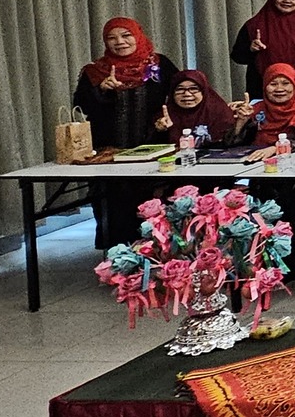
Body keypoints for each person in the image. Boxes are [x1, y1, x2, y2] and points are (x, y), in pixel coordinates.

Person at [73, 17, 183, 247]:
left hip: (154, 147)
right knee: (114, 207)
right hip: (110, 153)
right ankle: (118, 257)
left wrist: (166, 120)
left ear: (138, 36)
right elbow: (81, 106)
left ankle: (157, 253)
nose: (120, 42)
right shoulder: (95, 72)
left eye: (126, 35)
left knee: (153, 206)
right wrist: (102, 91)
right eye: (111, 38)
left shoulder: (159, 65)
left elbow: (181, 93)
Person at [239, 64, 295, 278]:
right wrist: (240, 123)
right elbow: (238, 144)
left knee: (289, 200)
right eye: (273, 83)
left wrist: (275, 148)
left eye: (285, 83)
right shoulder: (256, 111)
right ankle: (255, 262)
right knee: (245, 201)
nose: (279, 88)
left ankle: (290, 264)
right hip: (261, 175)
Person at [157, 69, 241, 147]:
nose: (187, 94)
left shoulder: (219, 112)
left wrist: (241, 122)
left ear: (204, 91)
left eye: (193, 89)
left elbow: (231, 144)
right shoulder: (164, 117)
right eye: (180, 89)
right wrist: (162, 131)